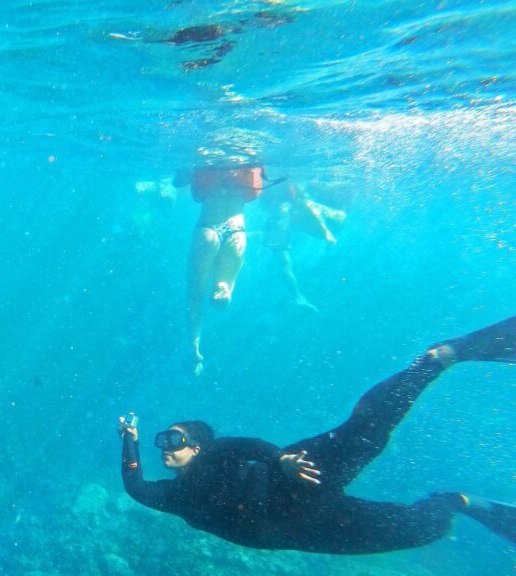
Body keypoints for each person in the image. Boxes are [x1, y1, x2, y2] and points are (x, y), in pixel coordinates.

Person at [118, 315, 516, 554]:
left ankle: (436, 359)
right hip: (307, 527)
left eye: (172, 440)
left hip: (297, 479)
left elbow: (247, 446)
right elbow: (136, 487)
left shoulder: (216, 455)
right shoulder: (173, 496)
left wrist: (282, 461)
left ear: (198, 446)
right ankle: (460, 502)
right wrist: (129, 438)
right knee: (420, 530)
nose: (165, 448)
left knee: (366, 430)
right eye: (161, 442)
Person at [182, 164, 265, 376]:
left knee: (195, 296)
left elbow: (178, 181)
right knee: (224, 283)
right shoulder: (251, 159)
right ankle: (224, 288)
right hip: (237, 230)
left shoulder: (207, 157)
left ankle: (195, 346)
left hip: (208, 227)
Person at [259, 182, 346, 312]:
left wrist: (326, 232)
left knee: (306, 207)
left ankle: (297, 296)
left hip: (326, 222)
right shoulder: (282, 211)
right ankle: (298, 296)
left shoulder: (299, 202)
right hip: (305, 219)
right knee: (281, 256)